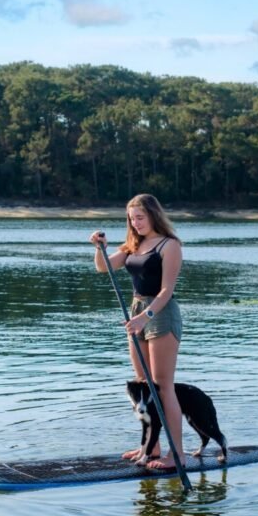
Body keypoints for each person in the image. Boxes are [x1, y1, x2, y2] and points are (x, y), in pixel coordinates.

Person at [89, 194, 184, 471]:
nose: (135, 222)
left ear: (154, 215)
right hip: (136, 312)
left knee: (164, 387)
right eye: (131, 218)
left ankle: (175, 454)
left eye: (140, 217)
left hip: (160, 313)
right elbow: (103, 267)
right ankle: (150, 447)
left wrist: (146, 316)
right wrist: (100, 247)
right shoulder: (134, 244)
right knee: (143, 386)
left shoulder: (170, 245)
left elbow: (166, 291)